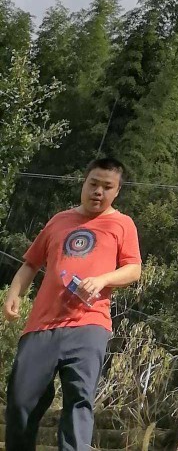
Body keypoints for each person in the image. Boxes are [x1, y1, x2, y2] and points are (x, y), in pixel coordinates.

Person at [2, 156, 142, 451]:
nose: (98, 192)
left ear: (117, 192)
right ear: (84, 182)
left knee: (79, 401)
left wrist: (103, 279)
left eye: (107, 187)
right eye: (94, 184)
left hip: (89, 324)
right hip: (41, 325)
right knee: (19, 400)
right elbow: (30, 263)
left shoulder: (122, 224)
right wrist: (14, 293)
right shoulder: (59, 220)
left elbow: (133, 269)